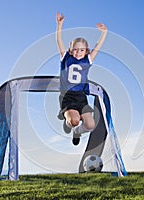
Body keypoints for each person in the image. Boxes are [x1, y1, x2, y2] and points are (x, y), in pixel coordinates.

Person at [56, 12, 107, 145]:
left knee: (90, 125)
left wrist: (104, 33)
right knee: (74, 120)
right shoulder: (66, 58)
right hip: (68, 96)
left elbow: (97, 48)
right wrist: (59, 25)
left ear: (86, 51)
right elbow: (59, 41)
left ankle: (77, 131)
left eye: (82, 50)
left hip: (81, 97)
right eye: (76, 50)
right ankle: (69, 122)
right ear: (71, 50)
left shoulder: (87, 60)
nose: (78, 52)